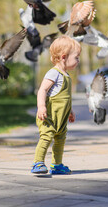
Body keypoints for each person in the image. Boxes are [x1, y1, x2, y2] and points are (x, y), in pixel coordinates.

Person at [31, 35, 81, 175]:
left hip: (61, 120)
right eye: (76, 57)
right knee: (46, 138)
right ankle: (38, 163)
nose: (78, 60)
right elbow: (42, 90)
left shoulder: (66, 75)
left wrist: (70, 111)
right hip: (49, 117)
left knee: (60, 141)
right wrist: (41, 107)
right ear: (64, 57)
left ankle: (57, 164)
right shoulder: (54, 73)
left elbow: (64, 98)